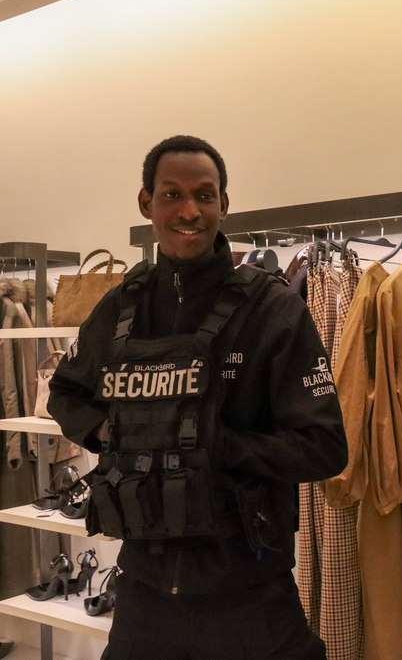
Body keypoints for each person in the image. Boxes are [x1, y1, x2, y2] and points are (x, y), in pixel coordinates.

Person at [48, 135, 348, 660]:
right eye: (172, 195)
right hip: (143, 592)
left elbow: (324, 447)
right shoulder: (121, 308)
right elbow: (65, 393)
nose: (189, 211)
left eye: (205, 195)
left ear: (224, 204)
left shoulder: (272, 311)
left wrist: (217, 447)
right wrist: (116, 432)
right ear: (147, 203)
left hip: (248, 594)